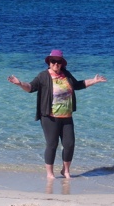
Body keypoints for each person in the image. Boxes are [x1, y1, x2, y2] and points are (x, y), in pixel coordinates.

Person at [7, 49, 107, 179]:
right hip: (50, 117)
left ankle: (65, 170)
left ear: (62, 63)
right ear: (49, 62)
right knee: (52, 144)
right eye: (53, 61)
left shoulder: (66, 74)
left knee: (69, 144)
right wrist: (20, 84)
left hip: (67, 117)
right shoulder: (43, 76)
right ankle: (50, 174)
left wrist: (94, 81)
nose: (56, 64)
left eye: (58, 62)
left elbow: (77, 85)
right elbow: (31, 87)